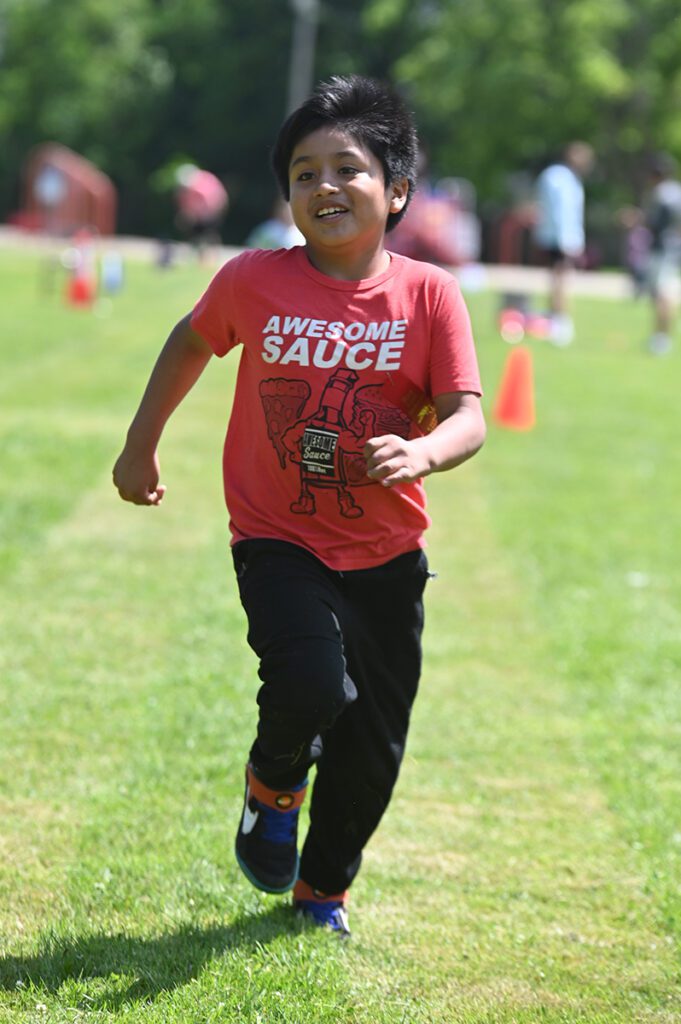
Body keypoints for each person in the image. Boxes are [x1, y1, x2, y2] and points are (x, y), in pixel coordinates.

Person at [112, 75, 485, 937]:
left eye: (346, 168)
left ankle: (323, 890)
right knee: (311, 681)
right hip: (278, 536)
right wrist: (140, 442)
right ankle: (273, 784)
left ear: (396, 190)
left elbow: (466, 416)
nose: (324, 186)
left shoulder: (429, 295)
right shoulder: (253, 280)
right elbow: (190, 341)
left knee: (372, 745)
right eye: (303, 173)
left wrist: (423, 451)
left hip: (387, 555)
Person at [533, 141, 594, 345]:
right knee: (562, 279)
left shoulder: (556, 175)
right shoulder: (562, 178)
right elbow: (563, 212)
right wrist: (568, 241)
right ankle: (560, 321)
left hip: (553, 235)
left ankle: (555, 319)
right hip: (560, 238)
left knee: (556, 279)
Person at [642, 152, 681, 355]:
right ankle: (662, 337)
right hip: (675, 249)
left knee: (662, 294)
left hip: (662, 249)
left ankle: (660, 338)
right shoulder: (677, 191)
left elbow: (655, 224)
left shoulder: (661, 194)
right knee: (669, 292)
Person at [174, 163, 229, 261]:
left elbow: (213, 201)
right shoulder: (186, 187)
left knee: (209, 233)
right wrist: (186, 213)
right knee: (193, 231)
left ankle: (211, 256)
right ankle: (195, 254)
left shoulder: (204, 186)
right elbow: (183, 201)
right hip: (198, 212)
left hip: (213, 209)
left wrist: (201, 216)